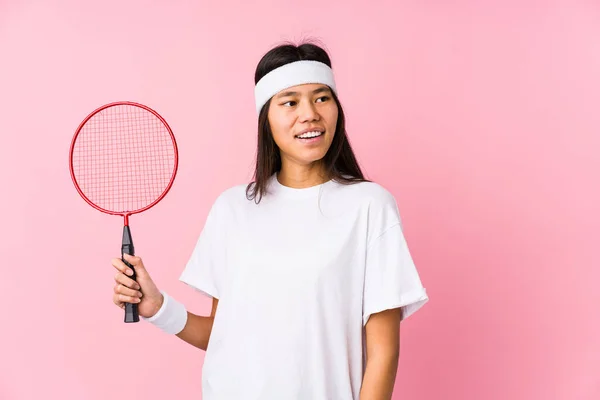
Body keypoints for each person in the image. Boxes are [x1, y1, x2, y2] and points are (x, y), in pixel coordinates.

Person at [111, 41, 429, 400]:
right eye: (290, 102)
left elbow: (384, 353)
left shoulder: (370, 206)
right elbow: (221, 334)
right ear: (266, 118)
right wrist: (157, 307)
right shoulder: (232, 209)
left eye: (322, 98)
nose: (309, 114)